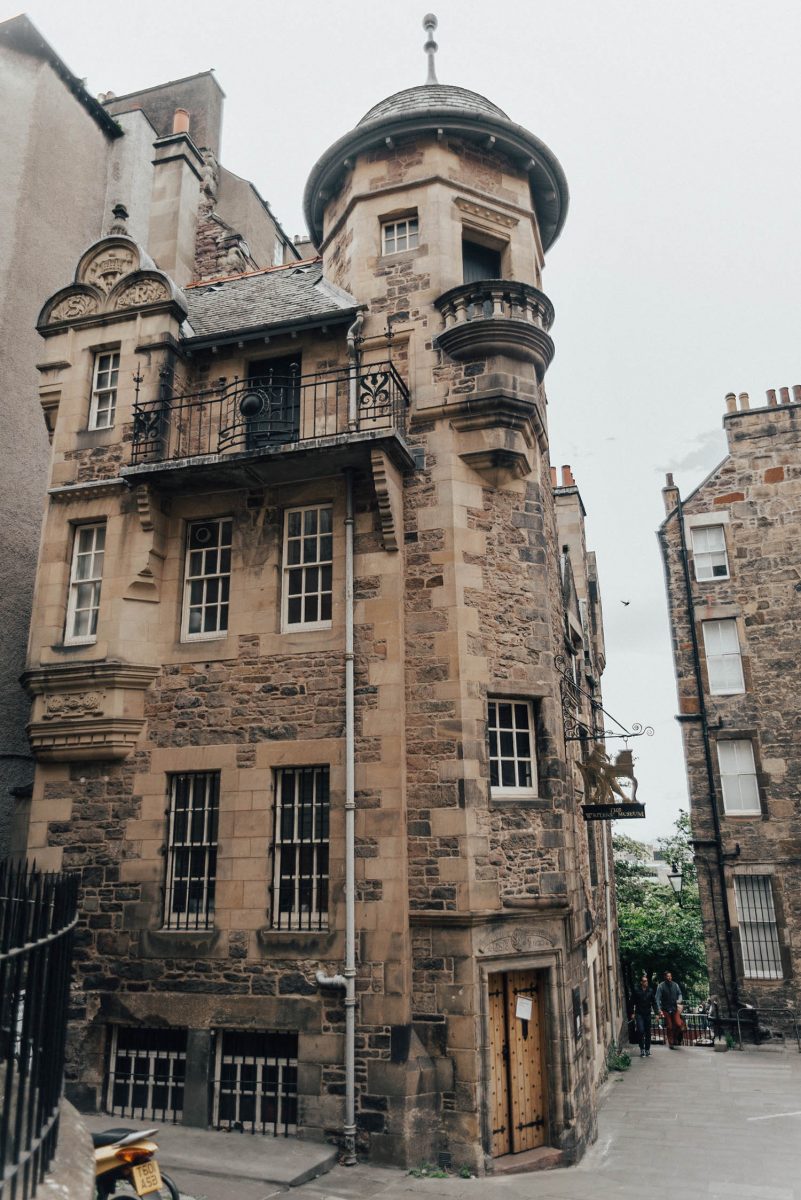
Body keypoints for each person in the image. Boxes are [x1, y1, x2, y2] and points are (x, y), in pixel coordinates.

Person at [630, 974, 658, 1057]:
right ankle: (642, 1048)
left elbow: (654, 1002)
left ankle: (647, 1049)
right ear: (641, 982)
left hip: (647, 1013)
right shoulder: (636, 990)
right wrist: (632, 1012)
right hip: (639, 1013)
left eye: (647, 981)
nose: (646, 983)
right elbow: (632, 1002)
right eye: (644, 981)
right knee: (641, 1031)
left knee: (648, 1032)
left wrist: (656, 1013)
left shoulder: (650, 990)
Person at [655, 970, 684, 1048]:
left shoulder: (675, 985)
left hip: (675, 1008)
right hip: (666, 1009)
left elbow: (680, 994)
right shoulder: (661, 986)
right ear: (664, 977)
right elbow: (657, 998)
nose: (669, 978)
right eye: (667, 976)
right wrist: (658, 1009)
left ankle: (675, 1038)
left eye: (670, 976)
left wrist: (679, 1000)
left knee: (678, 1024)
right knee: (670, 1026)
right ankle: (671, 1042)